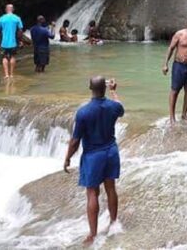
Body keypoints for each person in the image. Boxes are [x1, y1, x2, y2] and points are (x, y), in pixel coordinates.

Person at [63, 76, 124, 246]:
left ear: (90, 88)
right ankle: (113, 222)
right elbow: (121, 108)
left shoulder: (84, 112)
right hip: (111, 151)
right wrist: (114, 91)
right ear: (104, 89)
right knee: (111, 187)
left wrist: (67, 158)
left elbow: (75, 141)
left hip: (93, 155)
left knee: (92, 193)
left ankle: (93, 234)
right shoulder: (113, 106)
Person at [161, 18, 187, 123]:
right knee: (175, 90)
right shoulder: (180, 34)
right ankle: (172, 117)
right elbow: (171, 48)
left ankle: (184, 114)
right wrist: (165, 64)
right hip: (178, 65)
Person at [0, 4, 25, 79]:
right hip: (13, 42)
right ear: (13, 9)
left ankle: (6, 75)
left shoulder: (1, 18)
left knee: (4, 57)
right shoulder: (17, 18)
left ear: (6, 9)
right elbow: (20, 30)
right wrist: (21, 41)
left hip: (4, 42)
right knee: (12, 56)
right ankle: (11, 74)